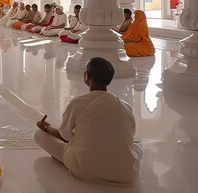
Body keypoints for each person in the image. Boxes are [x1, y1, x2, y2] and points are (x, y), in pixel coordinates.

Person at [34, 57, 140, 186]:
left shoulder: (77, 103)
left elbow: (65, 137)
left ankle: (64, 159)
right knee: (138, 148)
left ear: (86, 77)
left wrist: (45, 128)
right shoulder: (126, 106)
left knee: (39, 136)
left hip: (85, 169)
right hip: (126, 173)